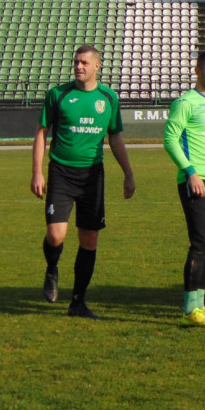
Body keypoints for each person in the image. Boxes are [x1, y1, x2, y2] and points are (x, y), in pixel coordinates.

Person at [31, 45, 135, 319]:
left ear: (97, 66)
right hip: (61, 172)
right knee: (56, 235)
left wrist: (128, 173)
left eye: (84, 62)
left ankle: (78, 301)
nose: (79, 67)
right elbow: (42, 133)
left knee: (89, 239)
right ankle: (52, 268)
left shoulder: (108, 98)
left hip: (92, 176)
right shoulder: (58, 94)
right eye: (76, 62)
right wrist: (38, 172)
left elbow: (115, 137)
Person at [163, 49, 205, 327]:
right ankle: (191, 307)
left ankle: (201, 303)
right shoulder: (185, 102)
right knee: (200, 243)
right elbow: (170, 140)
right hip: (195, 182)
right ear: (198, 70)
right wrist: (190, 172)